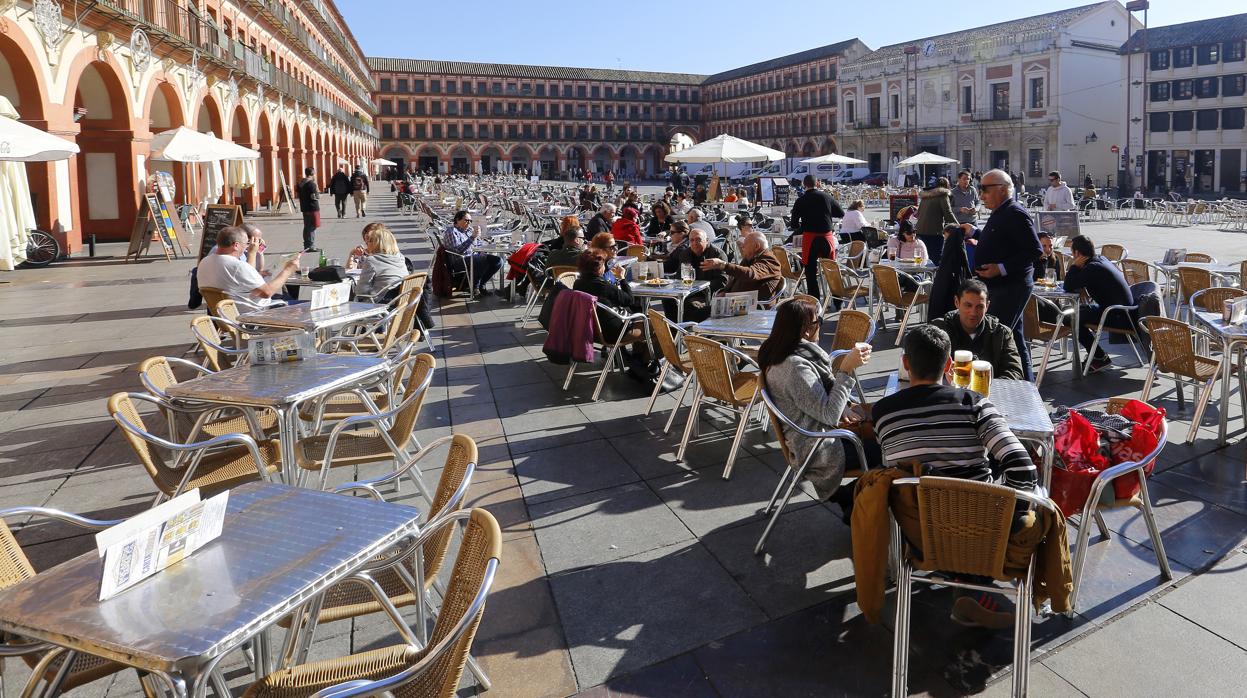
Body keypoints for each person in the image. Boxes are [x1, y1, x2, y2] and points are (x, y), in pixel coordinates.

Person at [873, 324, 1038, 629]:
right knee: (1023, 502)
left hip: (921, 533)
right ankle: (972, 585)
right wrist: (1004, 518)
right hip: (983, 531)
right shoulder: (974, 404)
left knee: (925, 495)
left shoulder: (883, 413)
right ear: (949, 366)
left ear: (906, 364)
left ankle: (962, 582)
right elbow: (1022, 467)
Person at [758, 297, 877, 506]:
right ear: (805, 330)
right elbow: (829, 414)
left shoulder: (786, 353)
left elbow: (823, 402)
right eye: (818, 321)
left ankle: (855, 498)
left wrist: (845, 407)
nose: (820, 325)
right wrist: (846, 368)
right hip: (821, 449)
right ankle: (862, 503)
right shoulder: (795, 367)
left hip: (816, 437)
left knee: (884, 425)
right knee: (893, 446)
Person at [959, 168, 1042, 381]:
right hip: (1000, 285)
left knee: (997, 335)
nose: (981, 195)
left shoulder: (1015, 212)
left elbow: (1034, 250)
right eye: (980, 189)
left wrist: (1001, 268)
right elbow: (1000, 238)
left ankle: (996, 385)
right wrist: (975, 232)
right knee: (1015, 336)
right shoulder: (1001, 212)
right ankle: (1028, 386)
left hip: (1011, 285)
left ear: (1003, 189)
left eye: (985, 189)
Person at [1063, 235, 1134, 373]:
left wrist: (1074, 266)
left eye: (1073, 253)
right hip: (1125, 311)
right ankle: (1097, 355)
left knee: (1069, 317)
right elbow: (1078, 283)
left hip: (1117, 316)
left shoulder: (1092, 268)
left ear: (1076, 253)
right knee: (1076, 311)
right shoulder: (1101, 259)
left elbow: (1068, 285)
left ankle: (1099, 357)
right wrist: (1082, 286)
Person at [930, 280, 1024, 380]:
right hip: (947, 392)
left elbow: (1015, 372)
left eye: (979, 307)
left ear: (987, 306)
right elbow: (923, 368)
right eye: (968, 305)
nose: (973, 313)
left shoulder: (1001, 333)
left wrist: (987, 384)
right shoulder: (938, 330)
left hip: (988, 393)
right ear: (957, 302)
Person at [573, 250, 652, 364]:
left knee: (641, 319)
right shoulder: (603, 286)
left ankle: (636, 360)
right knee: (655, 327)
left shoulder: (578, 284)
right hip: (613, 333)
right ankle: (641, 365)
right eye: (603, 264)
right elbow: (629, 299)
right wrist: (622, 278)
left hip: (592, 331)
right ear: (598, 268)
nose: (605, 267)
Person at [197, 226, 300, 311]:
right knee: (310, 307)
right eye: (246, 244)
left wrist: (252, 253)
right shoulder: (237, 266)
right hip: (255, 314)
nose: (247, 247)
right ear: (236, 245)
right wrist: (288, 270)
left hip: (226, 315)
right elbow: (267, 292)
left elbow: (246, 275)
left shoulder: (204, 262)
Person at [790, 175, 844, 303]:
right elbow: (841, 213)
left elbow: (794, 224)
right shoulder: (827, 197)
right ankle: (837, 301)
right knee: (831, 269)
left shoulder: (801, 200)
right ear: (818, 184)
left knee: (810, 271)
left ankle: (814, 301)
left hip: (810, 237)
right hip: (827, 236)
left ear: (804, 184)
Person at [663, 227, 727, 321]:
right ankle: (674, 329)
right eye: (691, 240)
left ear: (707, 241)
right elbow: (679, 276)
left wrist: (700, 288)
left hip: (706, 294)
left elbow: (722, 281)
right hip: (687, 291)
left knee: (691, 305)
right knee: (667, 299)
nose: (694, 243)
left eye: (698, 240)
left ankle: (687, 329)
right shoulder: (685, 253)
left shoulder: (717, 255)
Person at [700, 231, 783, 299]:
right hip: (736, 302)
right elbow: (736, 277)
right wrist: (725, 291)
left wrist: (723, 265)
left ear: (757, 246)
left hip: (755, 308)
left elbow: (750, 274)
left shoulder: (769, 260)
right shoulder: (750, 258)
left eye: (745, 245)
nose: (742, 247)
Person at [443, 210, 503, 297]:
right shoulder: (451, 232)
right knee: (482, 259)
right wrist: (472, 237)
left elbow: (478, 244)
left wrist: (487, 245)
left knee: (498, 261)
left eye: (470, 221)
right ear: (457, 220)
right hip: (459, 260)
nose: (469, 223)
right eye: (466, 220)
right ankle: (475, 287)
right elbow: (457, 250)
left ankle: (481, 284)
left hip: (472, 256)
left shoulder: (468, 231)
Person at [355, 224, 407, 298]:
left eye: (369, 241)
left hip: (381, 303)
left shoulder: (371, 260)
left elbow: (361, 292)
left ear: (376, 243)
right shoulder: (400, 257)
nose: (367, 244)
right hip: (403, 301)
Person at [916, 177, 958, 266]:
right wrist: (958, 227)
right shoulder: (943, 195)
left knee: (923, 257)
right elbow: (948, 213)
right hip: (934, 231)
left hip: (920, 230)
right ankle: (934, 278)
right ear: (947, 186)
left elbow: (918, 212)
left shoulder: (926, 195)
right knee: (935, 258)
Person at [297, 166, 320, 251]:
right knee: (312, 226)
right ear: (313, 173)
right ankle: (311, 246)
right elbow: (315, 196)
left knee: (307, 226)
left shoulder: (300, 183)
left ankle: (306, 245)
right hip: (312, 207)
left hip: (304, 207)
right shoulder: (311, 184)